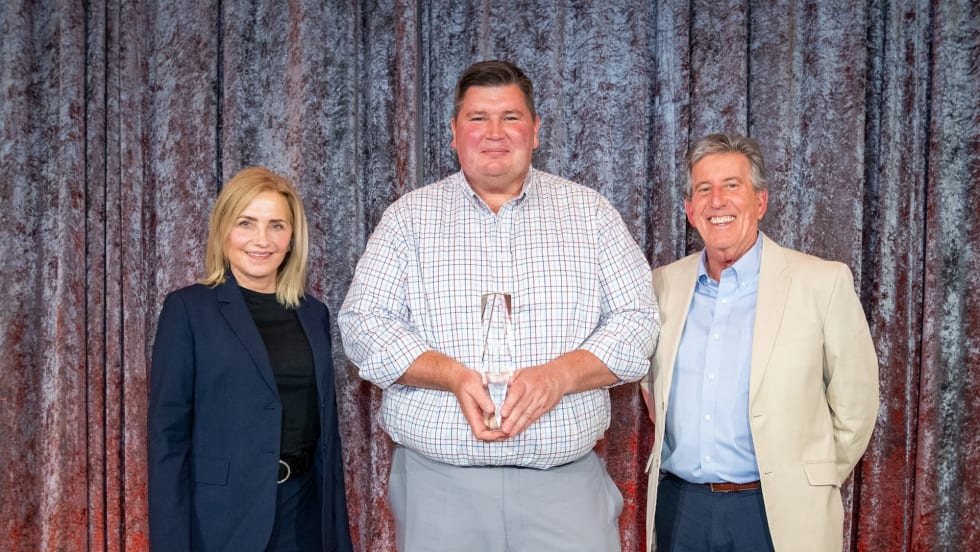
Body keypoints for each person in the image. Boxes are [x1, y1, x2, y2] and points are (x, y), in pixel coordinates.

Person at [338, 60, 660, 551]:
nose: (494, 133)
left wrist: (561, 376)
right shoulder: (409, 218)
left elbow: (638, 323)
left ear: (535, 131)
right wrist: (450, 374)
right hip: (440, 490)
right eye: (477, 118)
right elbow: (363, 326)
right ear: (453, 132)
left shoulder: (590, 214)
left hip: (565, 490)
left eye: (510, 117)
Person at [643, 133, 879, 551]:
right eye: (704, 189)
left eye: (732, 185)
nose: (717, 201)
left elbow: (856, 409)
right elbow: (650, 386)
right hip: (681, 511)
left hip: (777, 515)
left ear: (760, 201)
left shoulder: (822, 284)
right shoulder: (662, 285)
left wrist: (804, 478)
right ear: (689, 209)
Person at [148, 167, 352, 551]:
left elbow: (327, 436)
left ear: (292, 238)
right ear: (224, 230)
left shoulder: (314, 315)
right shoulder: (188, 310)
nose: (262, 240)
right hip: (220, 522)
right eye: (247, 223)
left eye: (277, 226)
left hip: (304, 516)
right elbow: (167, 441)